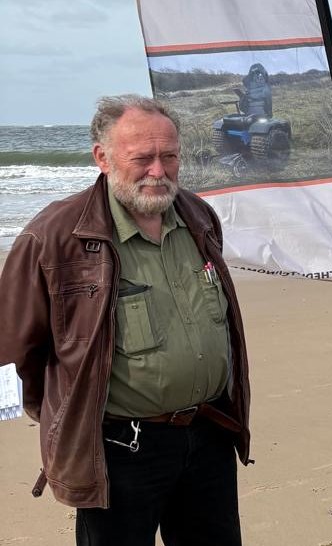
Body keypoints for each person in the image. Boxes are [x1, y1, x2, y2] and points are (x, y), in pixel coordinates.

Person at [0, 96, 252, 546]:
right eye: (143, 158)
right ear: (102, 157)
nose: (159, 170)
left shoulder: (198, 216)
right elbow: (15, 353)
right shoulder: (54, 237)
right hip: (120, 449)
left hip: (210, 434)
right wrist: (68, 413)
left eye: (169, 156)